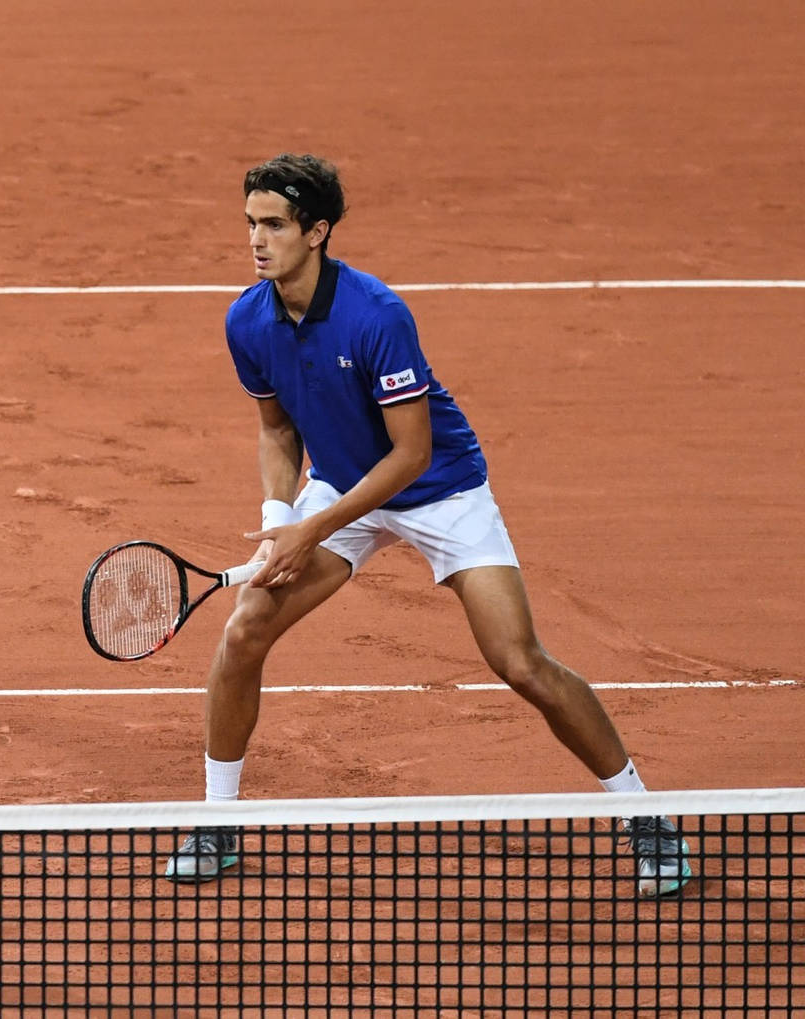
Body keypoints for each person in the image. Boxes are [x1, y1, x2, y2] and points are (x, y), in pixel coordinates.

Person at [163, 154, 691, 897]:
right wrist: (280, 516)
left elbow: (411, 455)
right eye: (251, 222)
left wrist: (313, 531)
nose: (257, 240)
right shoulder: (246, 319)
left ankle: (650, 818)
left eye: (275, 225)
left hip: (440, 489)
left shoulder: (377, 315)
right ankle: (216, 824)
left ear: (317, 232)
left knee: (519, 660)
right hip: (344, 485)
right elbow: (278, 429)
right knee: (244, 630)